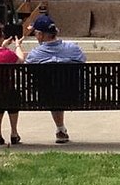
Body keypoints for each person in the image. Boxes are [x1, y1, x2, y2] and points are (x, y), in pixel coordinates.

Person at [24, 15, 86, 143]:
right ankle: (61, 130)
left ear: (41, 35)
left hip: (45, 97)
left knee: (53, 89)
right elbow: (83, 60)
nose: (35, 36)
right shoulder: (73, 49)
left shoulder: (35, 54)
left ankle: (60, 129)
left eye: (35, 33)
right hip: (74, 95)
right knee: (58, 88)